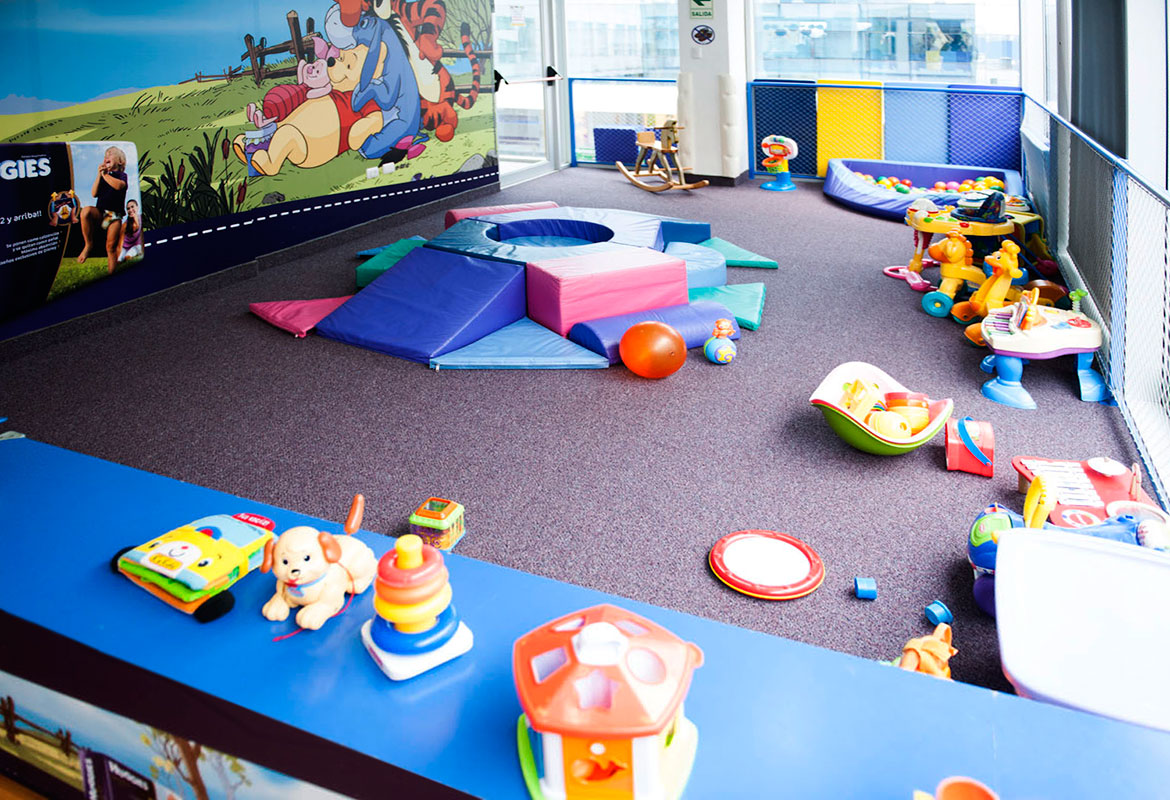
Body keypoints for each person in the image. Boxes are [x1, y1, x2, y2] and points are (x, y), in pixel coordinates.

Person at [77, 146, 128, 274]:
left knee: (110, 247)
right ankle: (88, 244)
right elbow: (94, 193)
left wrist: (105, 175)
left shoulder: (122, 176)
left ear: (120, 161)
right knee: (85, 211)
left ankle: (112, 274)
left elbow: (119, 186)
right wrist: (99, 175)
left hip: (114, 216)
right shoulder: (104, 176)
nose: (106, 157)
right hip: (100, 213)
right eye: (105, 156)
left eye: (110, 154)